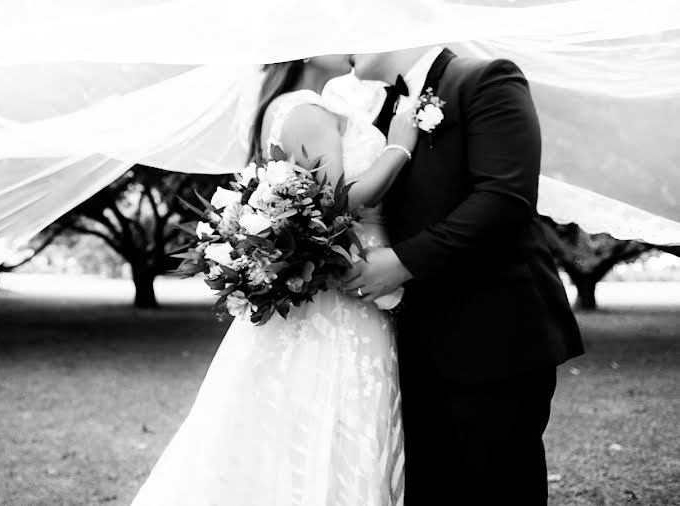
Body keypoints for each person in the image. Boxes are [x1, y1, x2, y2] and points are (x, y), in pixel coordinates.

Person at [131, 54, 419, 506]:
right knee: (331, 422)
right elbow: (336, 206)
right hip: (339, 309)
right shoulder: (307, 111)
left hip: (337, 291)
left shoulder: (284, 107)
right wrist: (399, 147)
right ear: (302, 45)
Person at [343, 46, 585, 505]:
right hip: (415, 341)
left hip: (494, 334)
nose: (346, 42)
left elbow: (505, 200)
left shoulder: (486, 80)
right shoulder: (389, 106)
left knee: (496, 489)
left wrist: (402, 262)